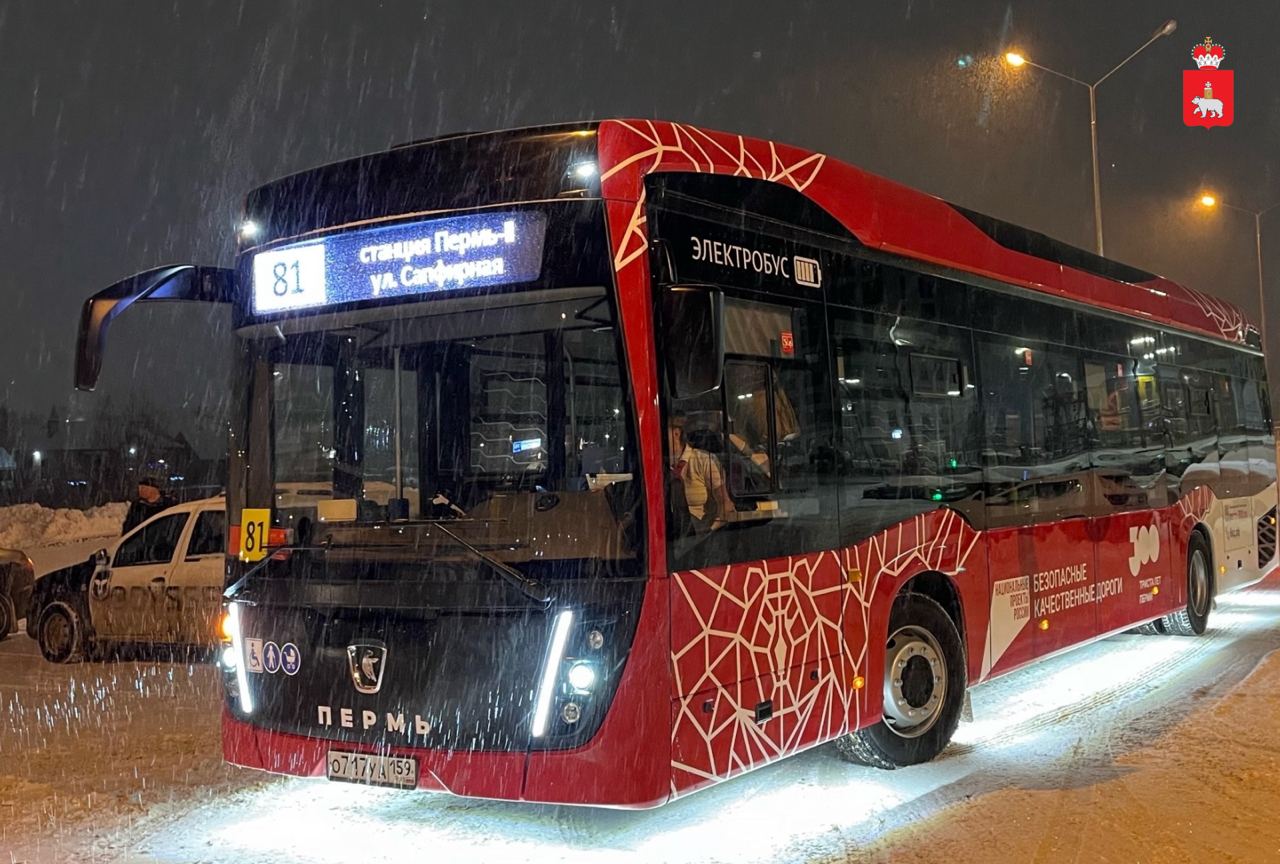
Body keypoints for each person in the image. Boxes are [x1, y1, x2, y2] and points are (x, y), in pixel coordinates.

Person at [667, 414, 734, 534]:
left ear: (676, 433)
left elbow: (725, 505)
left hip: (701, 537)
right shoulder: (658, 467)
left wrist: (709, 532)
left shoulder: (704, 461)